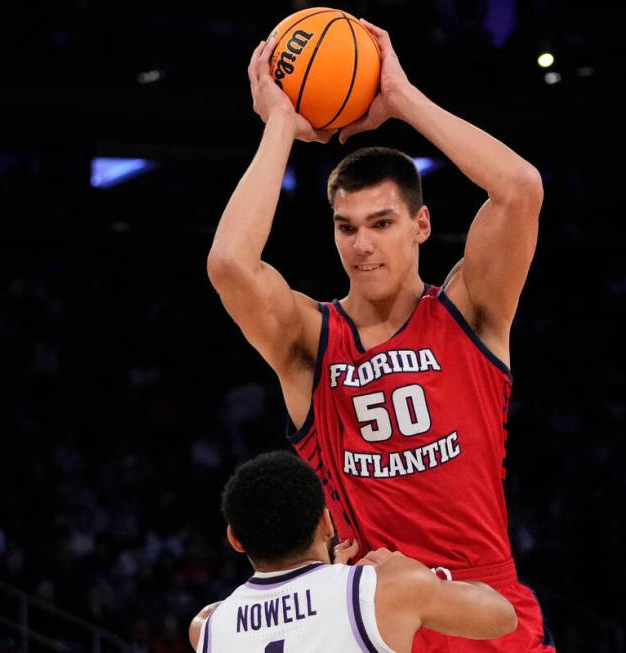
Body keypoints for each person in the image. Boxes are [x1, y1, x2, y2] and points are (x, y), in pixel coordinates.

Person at [207, 18, 550, 652]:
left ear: (421, 225)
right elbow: (229, 264)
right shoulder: (312, 340)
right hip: (368, 615)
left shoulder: (470, 311)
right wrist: (281, 123)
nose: (362, 244)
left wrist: (400, 99)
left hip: (486, 601)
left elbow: (520, 188)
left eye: (382, 222)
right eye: (346, 226)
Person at [187, 452, 516, 652]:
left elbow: (284, 611)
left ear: (235, 539)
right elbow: (502, 616)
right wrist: (417, 571)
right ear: (327, 522)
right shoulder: (384, 589)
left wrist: (327, 576)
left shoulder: (206, 627)